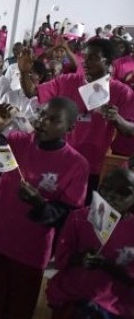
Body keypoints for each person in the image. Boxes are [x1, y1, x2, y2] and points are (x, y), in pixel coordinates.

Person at [0, 97, 89, 319]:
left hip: (30, 249)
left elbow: (68, 214)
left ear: (70, 128)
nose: (42, 122)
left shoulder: (76, 164)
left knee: (19, 312)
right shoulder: (17, 141)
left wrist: (41, 205)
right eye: (41, 115)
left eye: (53, 120)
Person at [17, 38, 134, 203]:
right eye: (84, 57)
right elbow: (31, 92)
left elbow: (129, 130)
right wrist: (23, 72)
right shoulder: (67, 81)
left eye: (92, 58)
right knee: (45, 205)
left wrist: (117, 119)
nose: (85, 62)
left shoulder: (121, 91)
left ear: (107, 61)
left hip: (92, 165)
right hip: (58, 158)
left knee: (75, 210)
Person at [46, 168, 134, 319]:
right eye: (107, 189)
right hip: (71, 296)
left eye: (124, 192)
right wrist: (80, 258)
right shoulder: (78, 218)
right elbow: (61, 259)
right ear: (99, 189)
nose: (113, 196)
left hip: (113, 306)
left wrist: (108, 266)